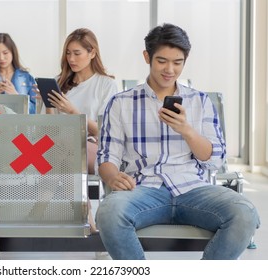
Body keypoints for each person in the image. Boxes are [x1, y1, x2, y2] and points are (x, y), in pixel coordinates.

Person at [96, 23, 260, 260]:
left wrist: (187, 130)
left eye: (177, 62)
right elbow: (106, 157)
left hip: (193, 188)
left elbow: (214, 161)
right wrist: (112, 176)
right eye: (162, 61)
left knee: (245, 215)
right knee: (109, 213)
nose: (169, 69)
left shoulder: (200, 101)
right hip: (142, 189)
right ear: (147, 57)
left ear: (185, 60)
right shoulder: (121, 103)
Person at [43, 28, 118, 175]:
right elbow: (50, 131)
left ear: (92, 53)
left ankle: (45, 196)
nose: (71, 59)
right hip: (58, 146)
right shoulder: (59, 82)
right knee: (53, 147)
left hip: (93, 146)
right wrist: (48, 103)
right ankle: (71, 197)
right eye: (68, 53)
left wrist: (73, 112)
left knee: (64, 147)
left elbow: (105, 132)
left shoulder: (106, 84)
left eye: (77, 53)